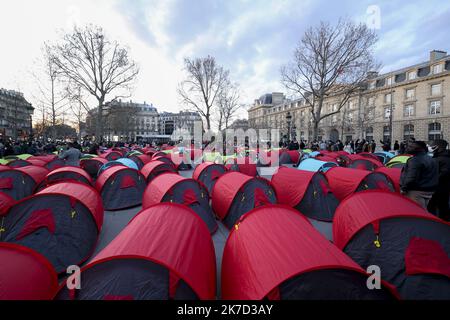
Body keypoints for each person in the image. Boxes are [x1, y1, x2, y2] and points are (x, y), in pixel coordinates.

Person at [399, 141, 439, 209]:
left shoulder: (415, 160)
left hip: (416, 191)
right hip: (429, 191)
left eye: (411, 147)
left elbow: (411, 177)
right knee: (424, 211)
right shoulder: (432, 159)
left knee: (416, 212)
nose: (408, 148)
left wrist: (403, 188)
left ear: (419, 149)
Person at [427, 140, 450, 221]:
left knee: (439, 207)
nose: (430, 147)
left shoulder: (443, 159)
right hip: (440, 187)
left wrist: (432, 179)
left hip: (440, 188)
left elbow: (444, 173)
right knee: (441, 206)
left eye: (433, 145)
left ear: (438, 147)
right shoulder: (439, 157)